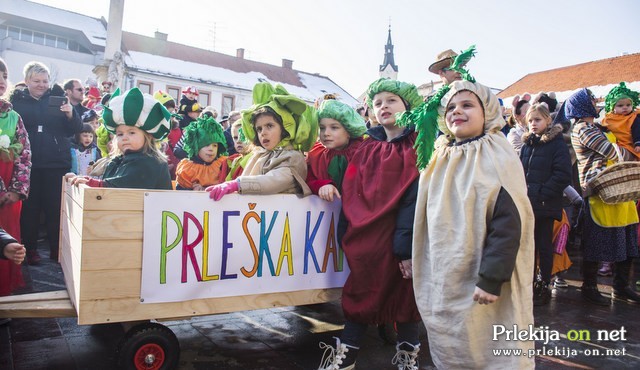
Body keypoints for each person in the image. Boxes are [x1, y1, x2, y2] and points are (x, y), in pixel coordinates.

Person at [411, 79, 535, 369]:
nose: (457, 111)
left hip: (484, 276)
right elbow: (421, 213)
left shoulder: (496, 154)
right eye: (451, 107)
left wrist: (492, 277)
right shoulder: (439, 155)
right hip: (445, 272)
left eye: (467, 105)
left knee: (489, 343)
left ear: (487, 112)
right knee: (451, 343)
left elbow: (508, 221)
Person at [318, 79, 424, 370]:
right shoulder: (365, 147)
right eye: (377, 102)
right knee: (361, 289)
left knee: (405, 295)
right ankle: (347, 355)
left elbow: (416, 199)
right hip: (366, 234)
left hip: (401, 235)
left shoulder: (420, 145)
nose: (383, 106)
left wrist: (406, 247)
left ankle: (407, 356)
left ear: (408, 106)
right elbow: (347, 182)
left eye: (392, 100)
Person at [562, 88, 640, 304]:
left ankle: (621, 287)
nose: (596, 103)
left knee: (627, 237)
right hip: (599, 191)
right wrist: (633, 152)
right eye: (592, 100)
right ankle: (589, 287)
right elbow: (613, 151)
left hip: (617, 187)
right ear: (583, 106)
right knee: (596, 242)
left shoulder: (596, 126)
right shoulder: (583, 128)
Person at [10, 61, 82, 264]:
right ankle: (30, 250)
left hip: (55, 163)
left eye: (45, 81)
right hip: (28, 165)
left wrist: (70, 113)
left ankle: (56, 249)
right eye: (36, 81)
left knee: (55, 208)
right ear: (26, 81)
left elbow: (75, 128)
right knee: (30, 209)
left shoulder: (59, 99)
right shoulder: (17, 101)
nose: (42, 85)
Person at [206, 82, 316, 201]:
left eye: (269, 126)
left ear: (285, 128)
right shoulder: (260, 154)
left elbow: (274, 180)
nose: (263, 132)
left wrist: (237, 184)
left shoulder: (293, 157)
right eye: (259, 129)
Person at [66, 87, 172, 190]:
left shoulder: (150, 162)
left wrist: (92, 183)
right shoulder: (123, 160)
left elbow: (120, 187)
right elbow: (110, 181)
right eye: (120, 134)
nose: (124, 138)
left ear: (148, 136)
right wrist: (84, 180)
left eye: (131, 132)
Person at [519, 103, 572, 305]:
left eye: (537, 120)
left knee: (544, 246)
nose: (533, 124)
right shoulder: (527, 145)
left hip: (545, 204)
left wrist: (541, 193)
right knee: (528, 247)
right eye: (530, 120)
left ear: (548, 120)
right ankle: (529, 284)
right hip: (528, 204)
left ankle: (543, 285)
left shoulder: (557, 144)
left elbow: (562, 175)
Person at [0, 57, 30, 297]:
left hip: (10, 191)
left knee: (8, 240)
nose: (1, 81)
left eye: (4, 76)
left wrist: (16, 189)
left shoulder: (14, 117)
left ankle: (4, 293)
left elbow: (24, 155)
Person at [306, 99, 366, 201]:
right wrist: (321, 185)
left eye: (334, 127)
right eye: (322, 128)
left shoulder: (362, 153)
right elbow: (307, 179)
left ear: (349, 130)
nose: (326, 133)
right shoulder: (315, 155)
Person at [175, 116, 229, 190]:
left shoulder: (223, 165)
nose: (211, 149)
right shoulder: (187, 168)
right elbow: (179, 192)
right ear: (196, 147)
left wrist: (205, 189)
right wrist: (192, 190)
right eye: (206, 145)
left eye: (215, 145)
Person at [601, 82, 640, 160]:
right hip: (615, 147)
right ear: (612, 107)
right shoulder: (609, 118)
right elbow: (604, 129)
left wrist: (638, 143)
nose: (625, 107)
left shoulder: (633, 118)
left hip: (631, 146)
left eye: (628, 105)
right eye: (620, 106)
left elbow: (637, 131)